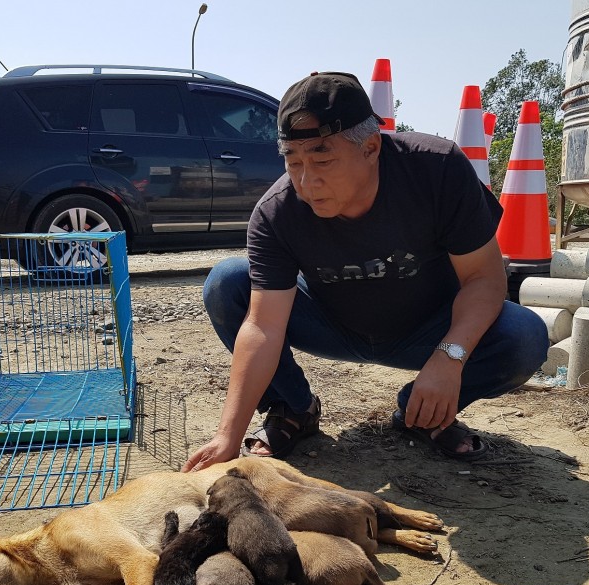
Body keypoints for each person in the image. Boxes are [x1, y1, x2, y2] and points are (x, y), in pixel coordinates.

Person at [181, 71, 549, 473]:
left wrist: (450, 356)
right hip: (333, 323)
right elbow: (264, 325)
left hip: (428, 328)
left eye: (322, 159)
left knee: (524, 337)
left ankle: (422, 413)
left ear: (371, 147)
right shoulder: (278, 212)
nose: (307, 181)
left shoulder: (436, 170)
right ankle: (294, 407)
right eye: (293, 160)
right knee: (228, 282)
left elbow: (485, 277)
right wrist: (227, 436)